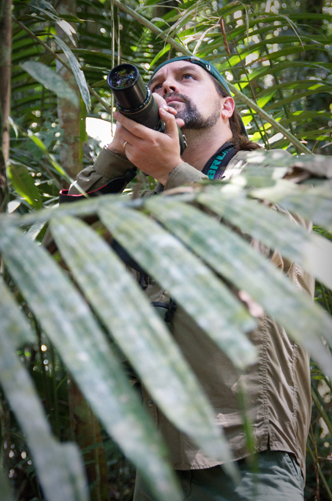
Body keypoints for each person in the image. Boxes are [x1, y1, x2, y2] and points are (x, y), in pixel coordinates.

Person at [64, 56, 314, 500]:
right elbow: (54, 257)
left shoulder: (275, 170)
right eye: (158, 84)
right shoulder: (147, 203)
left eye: (187, 77)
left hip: (250, 449)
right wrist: (114, 161)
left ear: (226, 106)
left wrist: (171, 171)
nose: (168, 87)